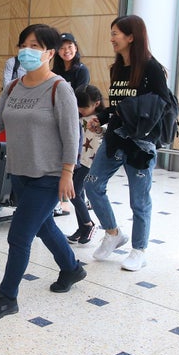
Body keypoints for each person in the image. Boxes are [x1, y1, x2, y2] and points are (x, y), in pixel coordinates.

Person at [0, 24, 84, 320]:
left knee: (20, 234)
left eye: (35, 46)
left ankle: (7, 297)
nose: (27, 50)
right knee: (44, 226)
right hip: (20, 172)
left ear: (50, 53)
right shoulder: (13, 87)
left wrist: (67, 173)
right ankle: (72, 268)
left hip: (49, 176)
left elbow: (72, 134)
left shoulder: (59, 88)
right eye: (24, 44)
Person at [84, 15, 172, 271]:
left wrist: (131, 112)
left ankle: (139, 249)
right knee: (92, 185)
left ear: (131, 36)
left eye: (115, 34)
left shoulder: (151, 68)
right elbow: (118, 105)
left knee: (138, 199)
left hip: (141, 144)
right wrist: (100, 117)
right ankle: (113, 233)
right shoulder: (118, 68)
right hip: (116, 138)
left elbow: (162, 104)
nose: (111, 39)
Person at [51, 32, 90, 217]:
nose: (66, 51)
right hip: (55, 119)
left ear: (75, 47)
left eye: (70, 46)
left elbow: (78, 97)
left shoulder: (81, 70)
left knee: (71, 160)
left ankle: (68, 202)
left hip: (73, 120)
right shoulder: (56, 72)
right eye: (62, 47)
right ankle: (63, 201)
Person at [66, 84, 105, 245]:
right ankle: (82, 227)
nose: (80, 109)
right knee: (77, 194)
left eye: (84, 106)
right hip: (76, 160)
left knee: (73, 191)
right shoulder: (78, 117)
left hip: (90, 162)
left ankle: (88, 225)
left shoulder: (103, 118)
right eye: (78, 105)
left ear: (96, 103)